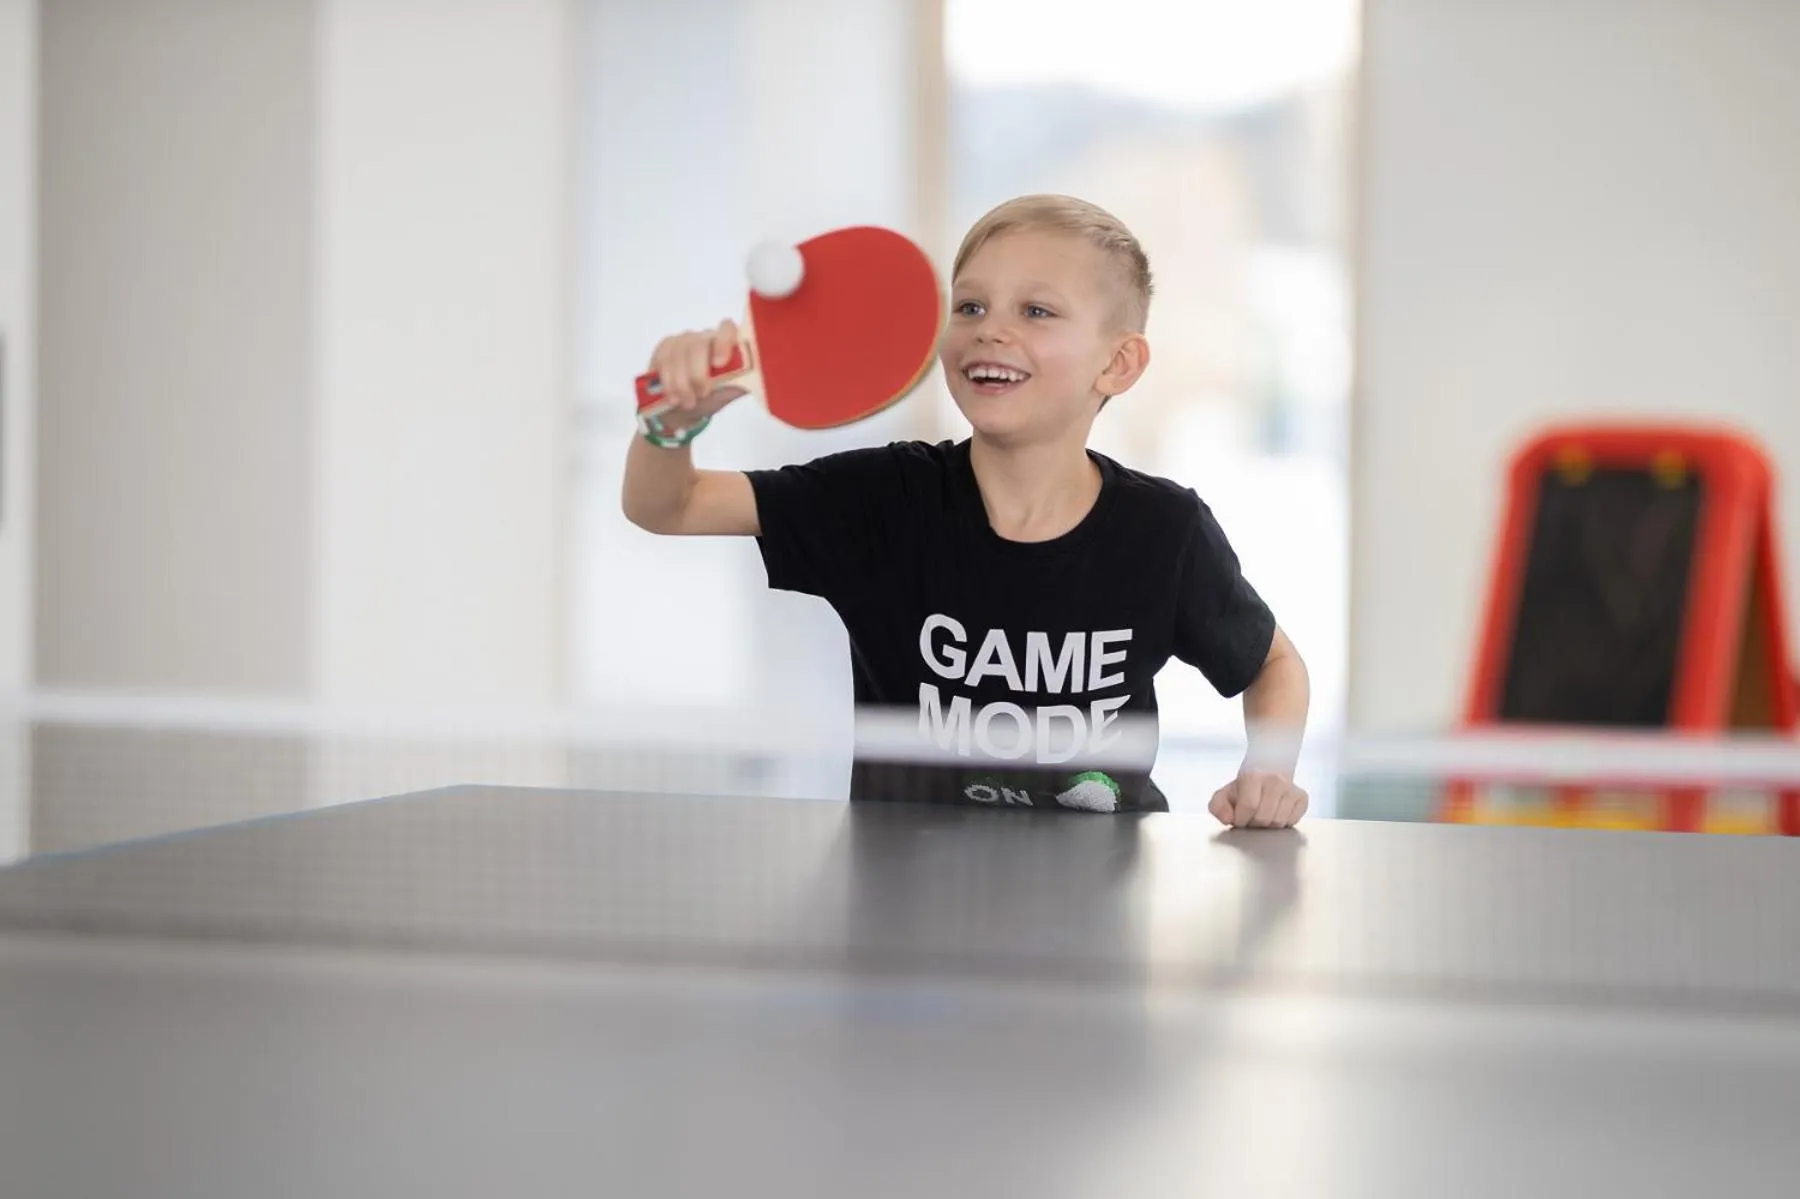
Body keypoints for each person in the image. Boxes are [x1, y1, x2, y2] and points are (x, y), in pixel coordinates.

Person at [621, 194, 1311, 827]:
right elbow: (670, 504)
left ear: (1119, 364)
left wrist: (1268, 770)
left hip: (1096, 907)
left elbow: (1272, 662)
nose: (991, 331)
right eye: (971, 307)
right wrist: (668, 426)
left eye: (1035, 311)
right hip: (903, 896)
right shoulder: (884, 499)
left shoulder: (1164, 533)